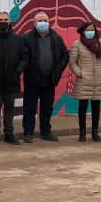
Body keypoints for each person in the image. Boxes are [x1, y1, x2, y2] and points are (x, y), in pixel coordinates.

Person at [22, 11, 69, 143]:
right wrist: (30, 71)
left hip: (50, 79)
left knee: (47, 107)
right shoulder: (27, 38)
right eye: (40, 21)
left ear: (49, 22)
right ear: (34, 23)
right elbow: (23, 57)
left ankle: (45, 132)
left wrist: (59, 69)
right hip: (32, 80)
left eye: (45, 21)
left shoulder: (56, 38)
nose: (43, 23)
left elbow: (65, 55)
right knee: (30, 107)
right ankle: (28, 133)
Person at [0, 12, 28, 146]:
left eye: (5, 19)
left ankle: (9, 133)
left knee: (10, 108)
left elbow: (25, 57)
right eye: (0, 20)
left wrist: (18, 71)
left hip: (12, 81)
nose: (3, 22)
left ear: (9, 21)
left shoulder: (17, 39)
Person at [70, 22, 101, 143]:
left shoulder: (100, 43)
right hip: (84, 80)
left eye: (92, 29)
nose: (90, 32)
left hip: (98, 79)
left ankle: (95, 132)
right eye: (88, 30)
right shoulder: (77, 44)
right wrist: (79, 72)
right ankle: (82, 132)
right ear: (83, 31)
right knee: (82, 107)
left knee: (96, 107)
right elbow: (72, 62)